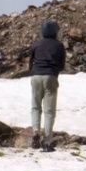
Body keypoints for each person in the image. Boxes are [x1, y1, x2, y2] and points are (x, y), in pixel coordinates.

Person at [27, 19, 66, 152]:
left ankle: (36, 132)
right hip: (50, 76)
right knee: (49, 111)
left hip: (36, 76)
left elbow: (30, 62)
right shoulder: (59, 45)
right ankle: (47, 141)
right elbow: (61, 65)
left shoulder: (36, 45)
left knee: (35, 106)